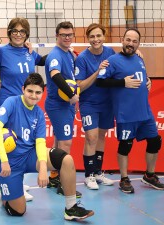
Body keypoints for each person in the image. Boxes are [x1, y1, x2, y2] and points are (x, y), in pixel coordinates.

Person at [0, 72, 94, 221]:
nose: (33, 95)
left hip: (29, 155)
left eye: (38, 92)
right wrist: (4, 161)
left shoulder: (38, 113)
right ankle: (4, 191)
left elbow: (40, 142)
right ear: (23, 89)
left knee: (67, 160)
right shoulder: (11, 103)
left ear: (42, 93)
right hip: (9, 163)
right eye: (30, 91)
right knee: (18, 211)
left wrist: (43, 168)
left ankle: (71, 208)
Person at [96, 28, 164, 194]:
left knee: (155, 141)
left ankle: (149, 175)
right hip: (126, 114)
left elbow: (142, 77)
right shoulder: (112, 60)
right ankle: (124, 179)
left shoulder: (139, 58)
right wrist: (122, 83)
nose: (131, 44)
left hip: (145, 112)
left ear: (138, 44)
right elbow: (100, 82)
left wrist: (148, 81)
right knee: (125, 145)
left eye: (135, 41)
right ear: (122, 40)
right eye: (128, 40)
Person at [0, 17, 46, 201]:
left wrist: (67, 51)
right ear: (9, 32)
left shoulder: (29, 51)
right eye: (15, 31)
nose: (18, 34)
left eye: (22, 32)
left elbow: (43, 60)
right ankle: (6, 183)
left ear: (26, 35)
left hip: (27, 103)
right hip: (10, 103)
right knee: (11, 142)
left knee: (25, 142)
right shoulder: (1, 52)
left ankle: (17, 181)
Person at [74, 23, 116, 189]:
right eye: (92, 36)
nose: (96, 39)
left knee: (100, 137)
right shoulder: (82, 58)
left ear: (103, 37)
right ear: (88, 38)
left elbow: (121, 65)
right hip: (89, 103)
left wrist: (138, 54)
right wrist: (97, 71)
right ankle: (89, 175)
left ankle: (98, 172)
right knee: (91, 137)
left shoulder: (110, 52)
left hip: (107, 102)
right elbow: (80, 86)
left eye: (98, 36)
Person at [44, 21, 81, 197]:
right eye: (63, 35)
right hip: (58, 105)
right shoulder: (56, 55)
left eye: (70, 35)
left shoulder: (68, 54)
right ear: (57, 36)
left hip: (65, 105)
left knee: (59, 140)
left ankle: (54, 176)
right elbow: (55, 75)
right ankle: (62, 182)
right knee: (66, 143)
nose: (67, 38)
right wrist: (71, 95)